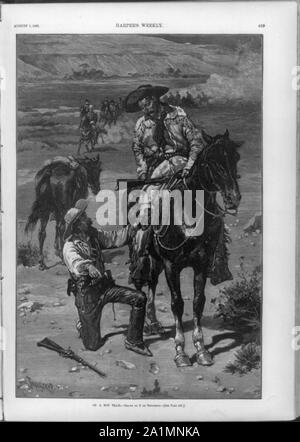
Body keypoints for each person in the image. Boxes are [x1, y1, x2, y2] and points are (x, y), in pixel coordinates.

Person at [63, 199, 152, 356]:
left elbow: (116, 238)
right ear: (78, 224)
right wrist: (88, 266)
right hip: (87, 295)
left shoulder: (94, 235)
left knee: (139, 298)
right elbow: (75, 262)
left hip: (104, 287)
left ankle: (133, 341)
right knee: (93, 345)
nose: (87, 218)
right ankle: (84, 325)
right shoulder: (70, 245)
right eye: (83, 217)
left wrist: (136, 224)